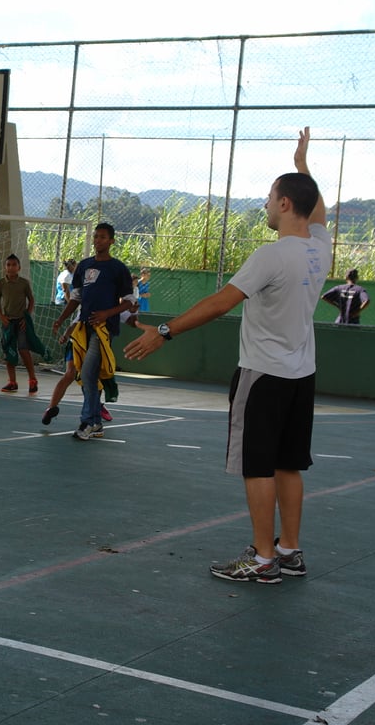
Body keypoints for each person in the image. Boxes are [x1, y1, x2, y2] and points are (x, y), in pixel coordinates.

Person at [124, 127, 331, 584]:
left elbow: (220, 302)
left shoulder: (271, 256)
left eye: (268, 196)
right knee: (289, 464)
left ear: (283, 204)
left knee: (257, 466)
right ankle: (290, 550)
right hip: (302, 376)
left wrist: (164, 331)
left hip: (263, 376)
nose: (263, 203)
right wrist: (302, 165)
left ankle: (262, 559)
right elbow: (318, 207)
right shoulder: (321, 249)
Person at [51, 223, 136, 440]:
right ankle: (97, 423)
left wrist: (107, 314)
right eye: (96, 236)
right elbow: (76, 297)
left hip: (104, 329)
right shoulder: (84, 266)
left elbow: (128, 301)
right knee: (88, 374)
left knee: (88, 372)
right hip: (83, 328)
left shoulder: (118, 268)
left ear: (111, 241)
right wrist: (62, 319)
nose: (98, 240)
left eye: (103, 237)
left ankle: (87, 422)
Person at [0, 253, 40, 393]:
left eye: (14, 265)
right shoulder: (1, 283)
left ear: (19, 267)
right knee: (9, 352)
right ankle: (12, 382)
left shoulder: (24, 283)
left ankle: (32, 380)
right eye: (8, 265)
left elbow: (31, 300)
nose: (11, 267)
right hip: (8, 322)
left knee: (23, 350)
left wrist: (26, 317)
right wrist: (1, 315)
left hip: (20, 321)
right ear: (5, 267)